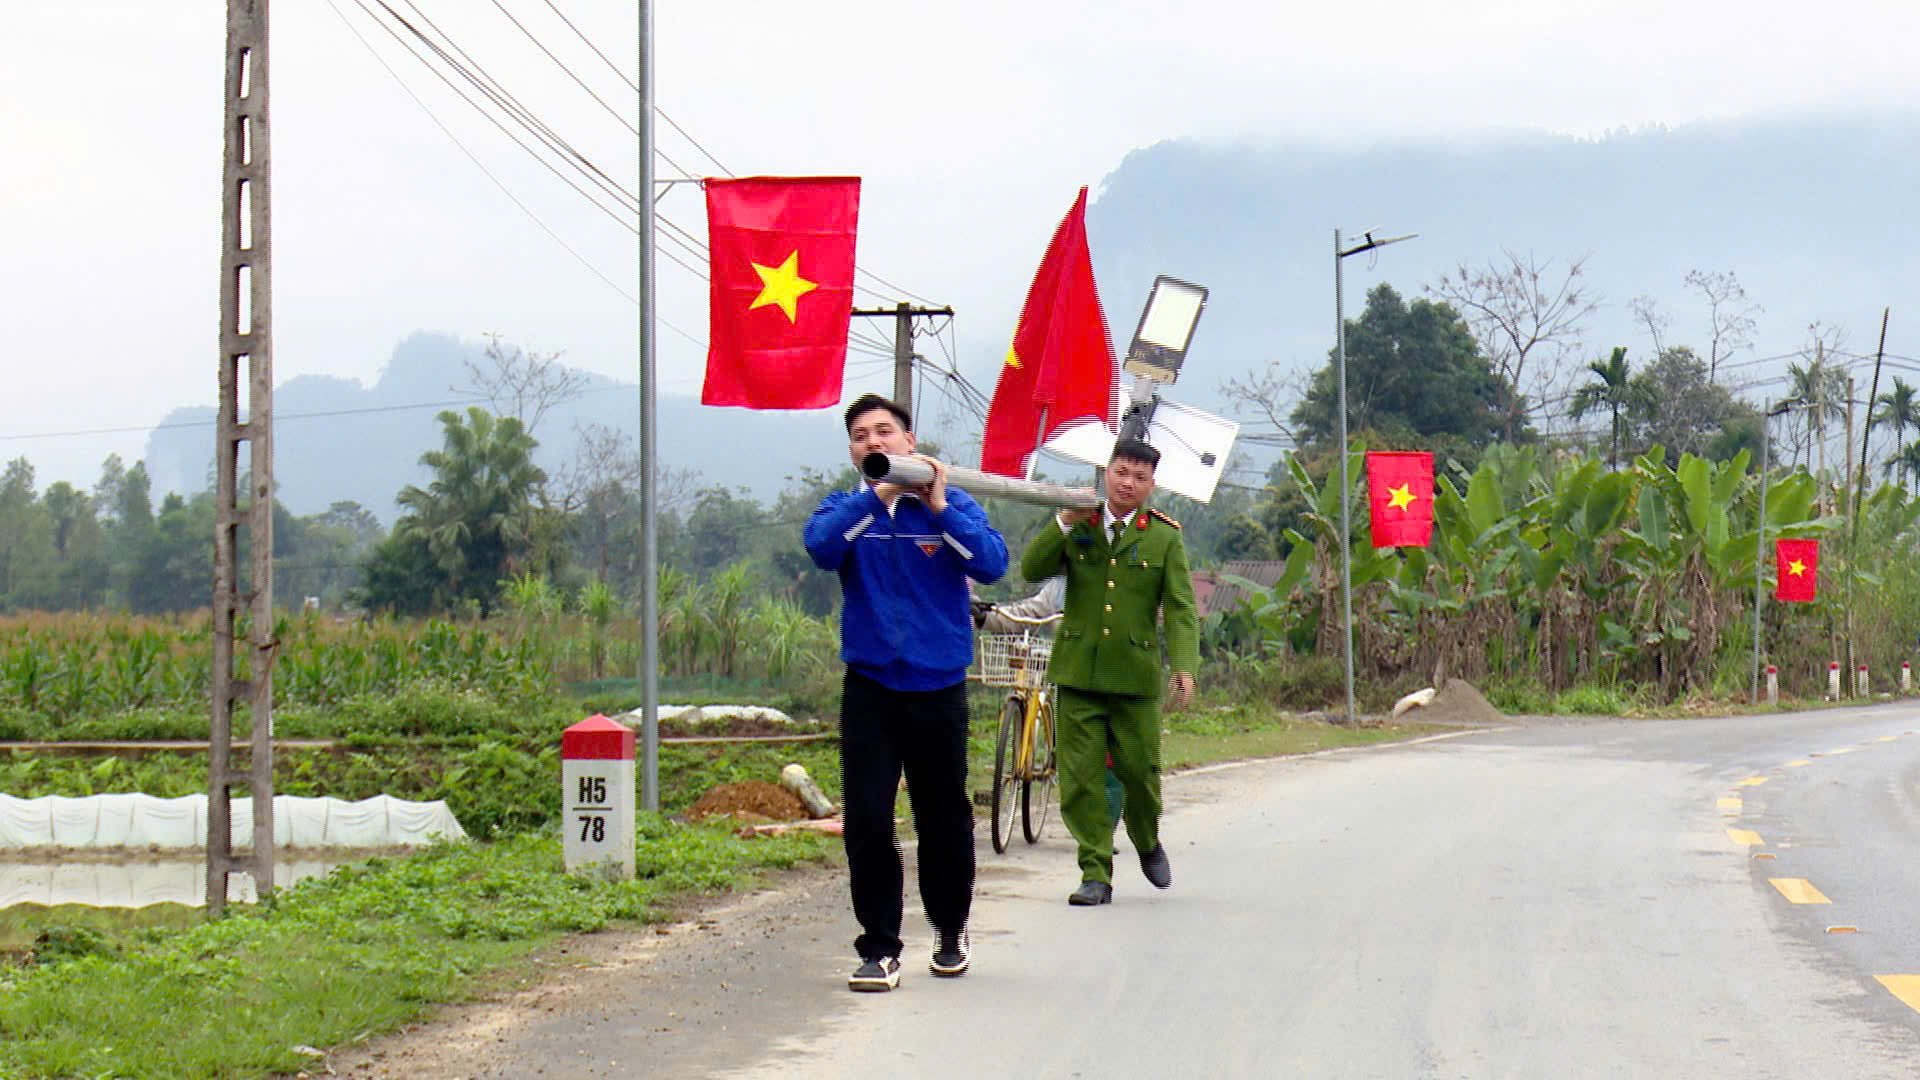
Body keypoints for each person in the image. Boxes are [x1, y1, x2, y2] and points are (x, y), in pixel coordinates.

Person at [804, 393, 1009, 992]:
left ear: (909, 440)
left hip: (938, 687)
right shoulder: (847, 509)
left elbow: (992, 564)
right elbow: (821, 549)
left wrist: (939, 506)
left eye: (885, 431)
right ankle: (880, 947)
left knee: (943, 816)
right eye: (862, 435)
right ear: (852, 450)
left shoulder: (949, 505)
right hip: (870, 688)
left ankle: (949, 928)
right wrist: (879, 496)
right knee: (867, 817)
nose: (874, 442)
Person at [1019, 437, 1197, 906]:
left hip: (1134, 679)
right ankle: (1095, 871)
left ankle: (1145, 838)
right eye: (1121, 472)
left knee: (1140, 773)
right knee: (1081, 779)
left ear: (1151, 485)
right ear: (1106, 472)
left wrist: (1183, 668)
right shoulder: (1079, 524)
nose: (1128, 483)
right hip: (1079, 675)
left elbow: (1180, 609)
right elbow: (1031, 569)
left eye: (1139, 477)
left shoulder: (1164, 536)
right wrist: (1061, 522)